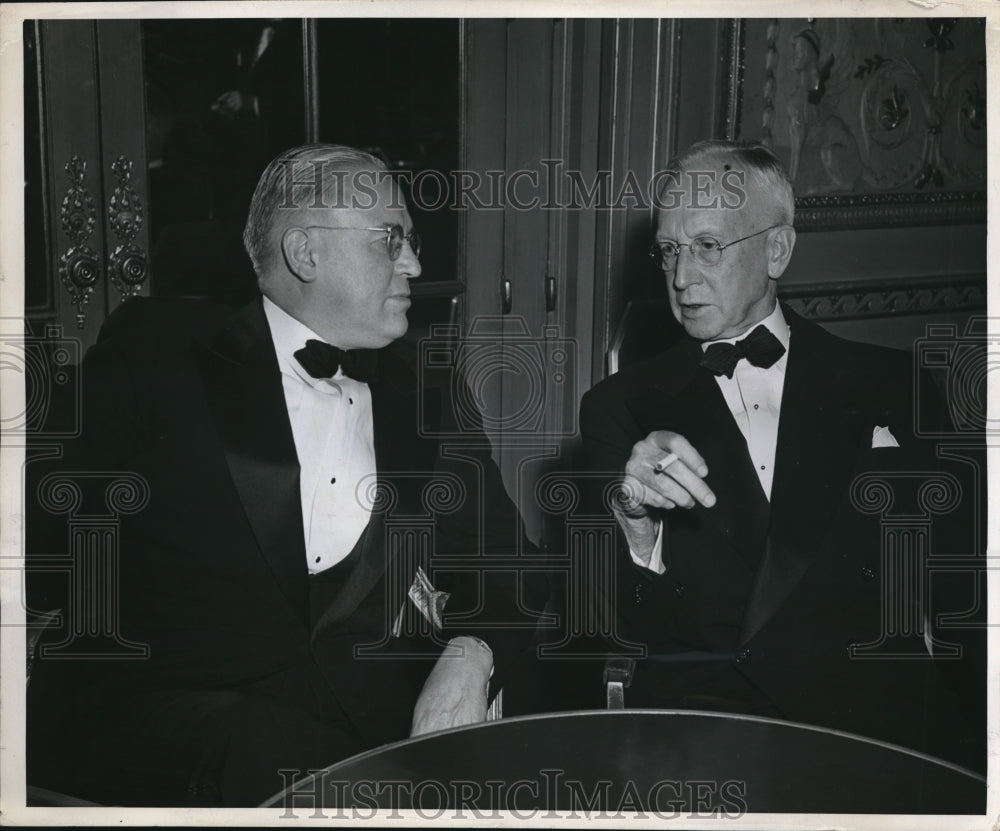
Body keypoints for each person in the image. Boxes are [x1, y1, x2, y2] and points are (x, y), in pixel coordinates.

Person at [27, 144, 530, 806]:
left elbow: (514, 571)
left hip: (368, 740)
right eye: (392, 238)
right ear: (306, 253)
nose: (414, 262)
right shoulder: (159, 352)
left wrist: (468, 652)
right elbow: (39, 541)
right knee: (265, 749)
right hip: (168, 729)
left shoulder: (429, 388)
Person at [577, 139, 984, 772]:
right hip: (711, 733)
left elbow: (967, 590)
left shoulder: (894, 384)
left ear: (777, 249)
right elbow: (606, 624)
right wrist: (636, 525)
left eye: (708, 246)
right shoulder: (619, 408)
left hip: (880, 730)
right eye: (669, 251)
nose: (681, 278)